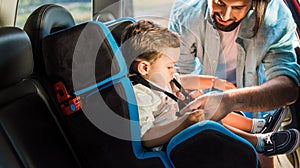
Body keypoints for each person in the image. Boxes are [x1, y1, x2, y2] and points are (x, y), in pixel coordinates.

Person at [168, 0, 300, 166]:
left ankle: (260, 133)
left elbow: (287, 88)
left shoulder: (275, 20)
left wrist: (231, 101)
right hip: (203, 92)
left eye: (238, 7)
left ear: (255, 1)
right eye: (219, 2)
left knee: (262, 158)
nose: (225, 15)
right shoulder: (186, 10)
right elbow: (178, 74)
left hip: (257, 99)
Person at [120, 19, 300, 156]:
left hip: (181, 121)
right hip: (173, 139)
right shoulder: (140, 95)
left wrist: (214, 82)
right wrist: (184, 123)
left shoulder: (157, 78)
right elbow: (146, 137)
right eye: (169, 67)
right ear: (144, 68)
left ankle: (258, 126)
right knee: (208, 120)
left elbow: (182, 80)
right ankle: (261, 143)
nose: (173, 71)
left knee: (211, 102)